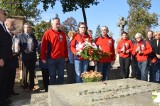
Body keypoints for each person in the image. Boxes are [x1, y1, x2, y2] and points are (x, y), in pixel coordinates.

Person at [40, 17, 68, 85]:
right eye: (56, 23)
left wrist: (66, 56)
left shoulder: (63, 34)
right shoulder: (47, 33)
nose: (58, 25)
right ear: (52, 24)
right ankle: (53, 92)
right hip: (51, 58)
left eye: (59, 23)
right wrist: (43, 57)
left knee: (61, 75)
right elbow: (43, 46)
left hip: (61, 58)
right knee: (52, 76)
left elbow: (65, 46)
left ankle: (60, 90)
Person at [19, 23, 38, 91]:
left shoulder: (33, 36)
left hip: (32, 57)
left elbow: (36, 44)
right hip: (25, 57)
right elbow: (18, 46)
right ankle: (24, 86)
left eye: (29, 27)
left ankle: (31, 86)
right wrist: (24, 50)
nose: (28, 29)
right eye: (27, 27)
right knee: (25, 72)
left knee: (32, 72)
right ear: (24, 28)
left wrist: (34, 44)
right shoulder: (20, 36)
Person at [0, 9, 13, 106]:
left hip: (6, 58)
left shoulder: (2, 26)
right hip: (1, 59)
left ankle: (4, 98)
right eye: (4, 14)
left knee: (4, 79)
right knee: (1, 80)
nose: (5, 15)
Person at [5, 18, 19, 96]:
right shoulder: (4, 33)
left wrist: (18, 49)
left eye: (13, 24)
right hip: (7, 59)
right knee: (6, 77)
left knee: (12, 76)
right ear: (6, 24)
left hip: (13, 59)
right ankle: (6, 93)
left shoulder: (14, 35)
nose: (13, 26)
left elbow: (16, 45)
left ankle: (11, 91)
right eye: (12, 24)